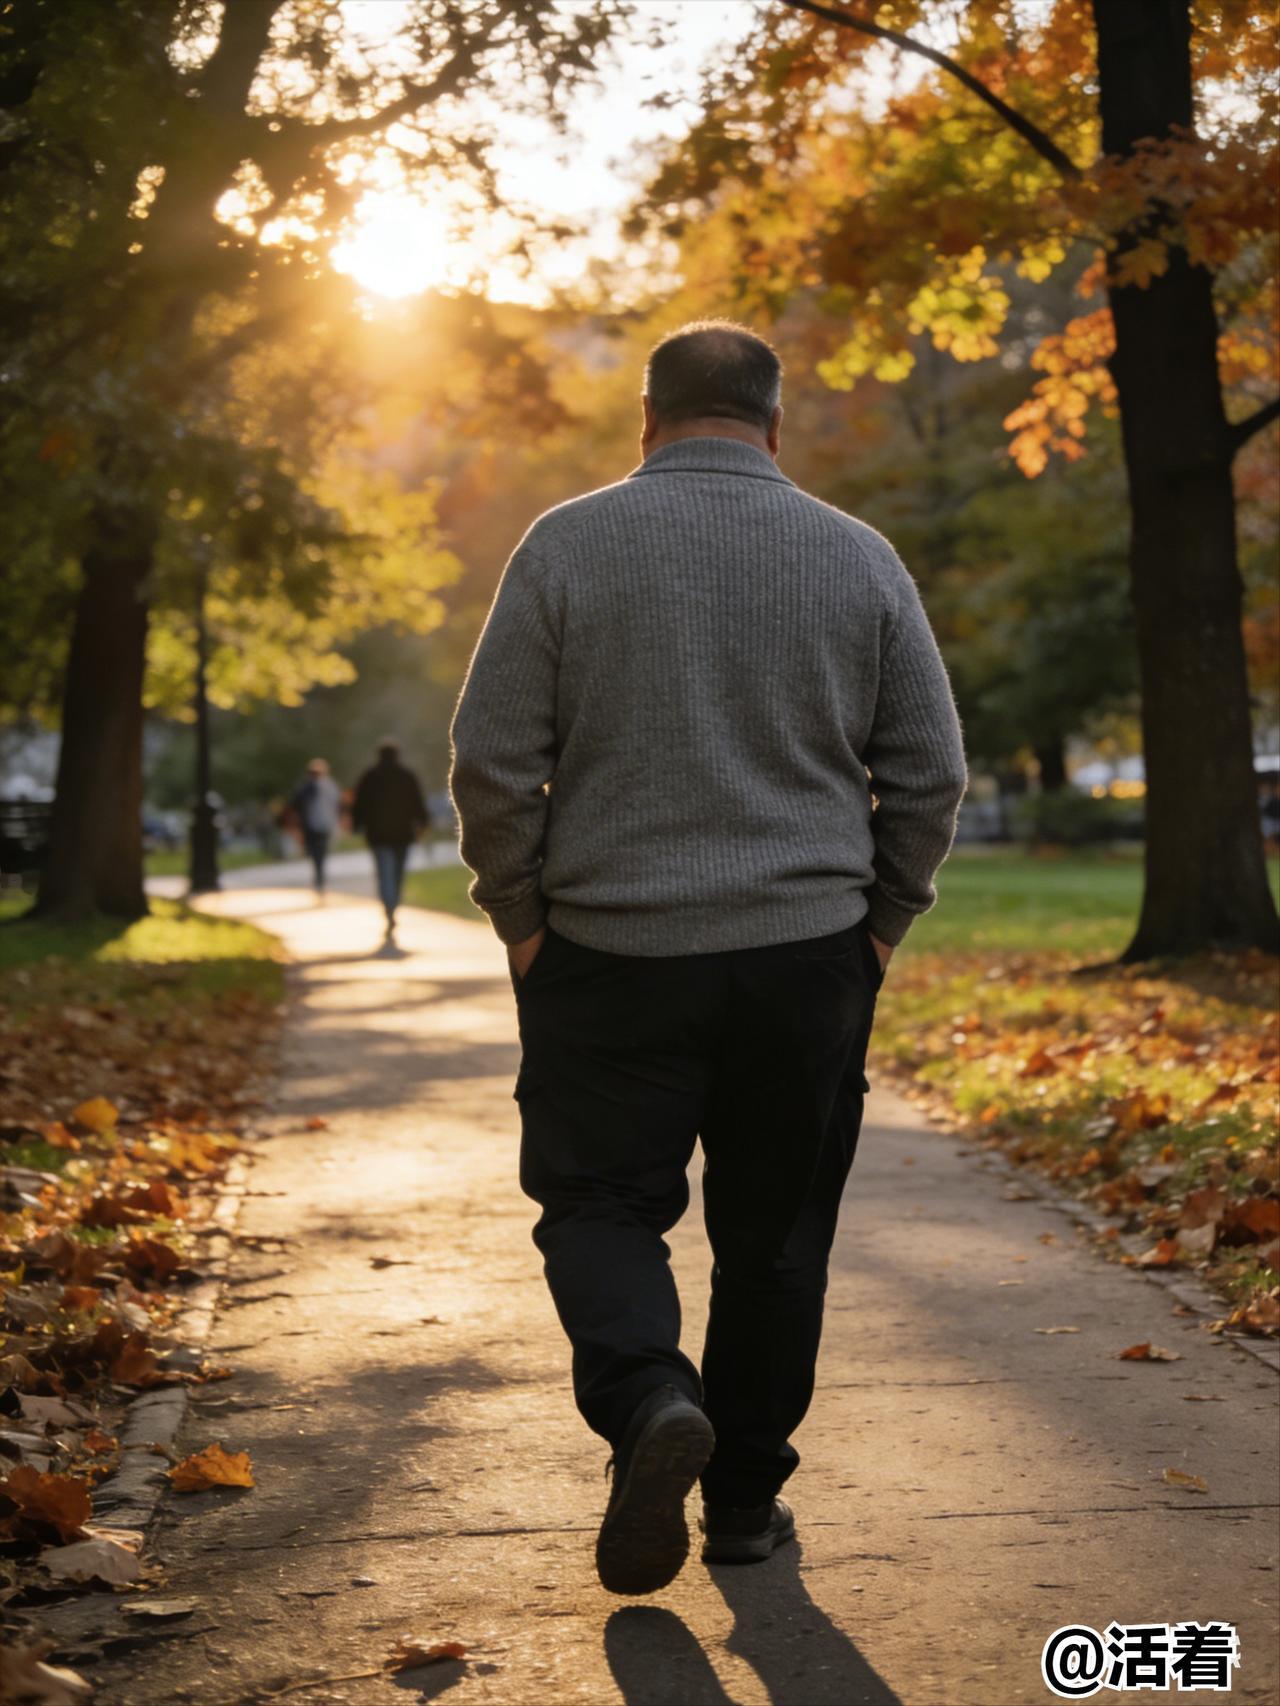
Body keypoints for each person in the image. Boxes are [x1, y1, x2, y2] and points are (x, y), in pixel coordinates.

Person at [449, 320, 967, 1597]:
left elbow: (493, 759)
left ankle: (646, 1400)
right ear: (774, 425)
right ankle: (739, 1503)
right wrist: (879, 922)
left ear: (645, 420)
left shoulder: (564, 543)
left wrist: (519, 916)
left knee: (597, 1203)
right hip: (805, 956)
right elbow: (928, 771)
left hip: (608, 951)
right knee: (775, 1237)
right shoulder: (857, 554)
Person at [351, 738, 431, 937]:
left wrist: (357, 824)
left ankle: (389, 908)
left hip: (378, 835)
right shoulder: (407, 775)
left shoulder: (370, 776)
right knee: (397, 874)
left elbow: (359, 804)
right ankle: (393, 906)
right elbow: (418, 801)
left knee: (384, 874)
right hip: (403, 834)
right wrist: (423, 822)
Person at [289, 759, 342, 895]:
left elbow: (337, 805)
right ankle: (319, 876)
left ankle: (319, 877)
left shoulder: (328, 787)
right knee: (316, 852)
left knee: (319, 852)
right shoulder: (309, 788)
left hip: (322, 824)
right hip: (313, 825)